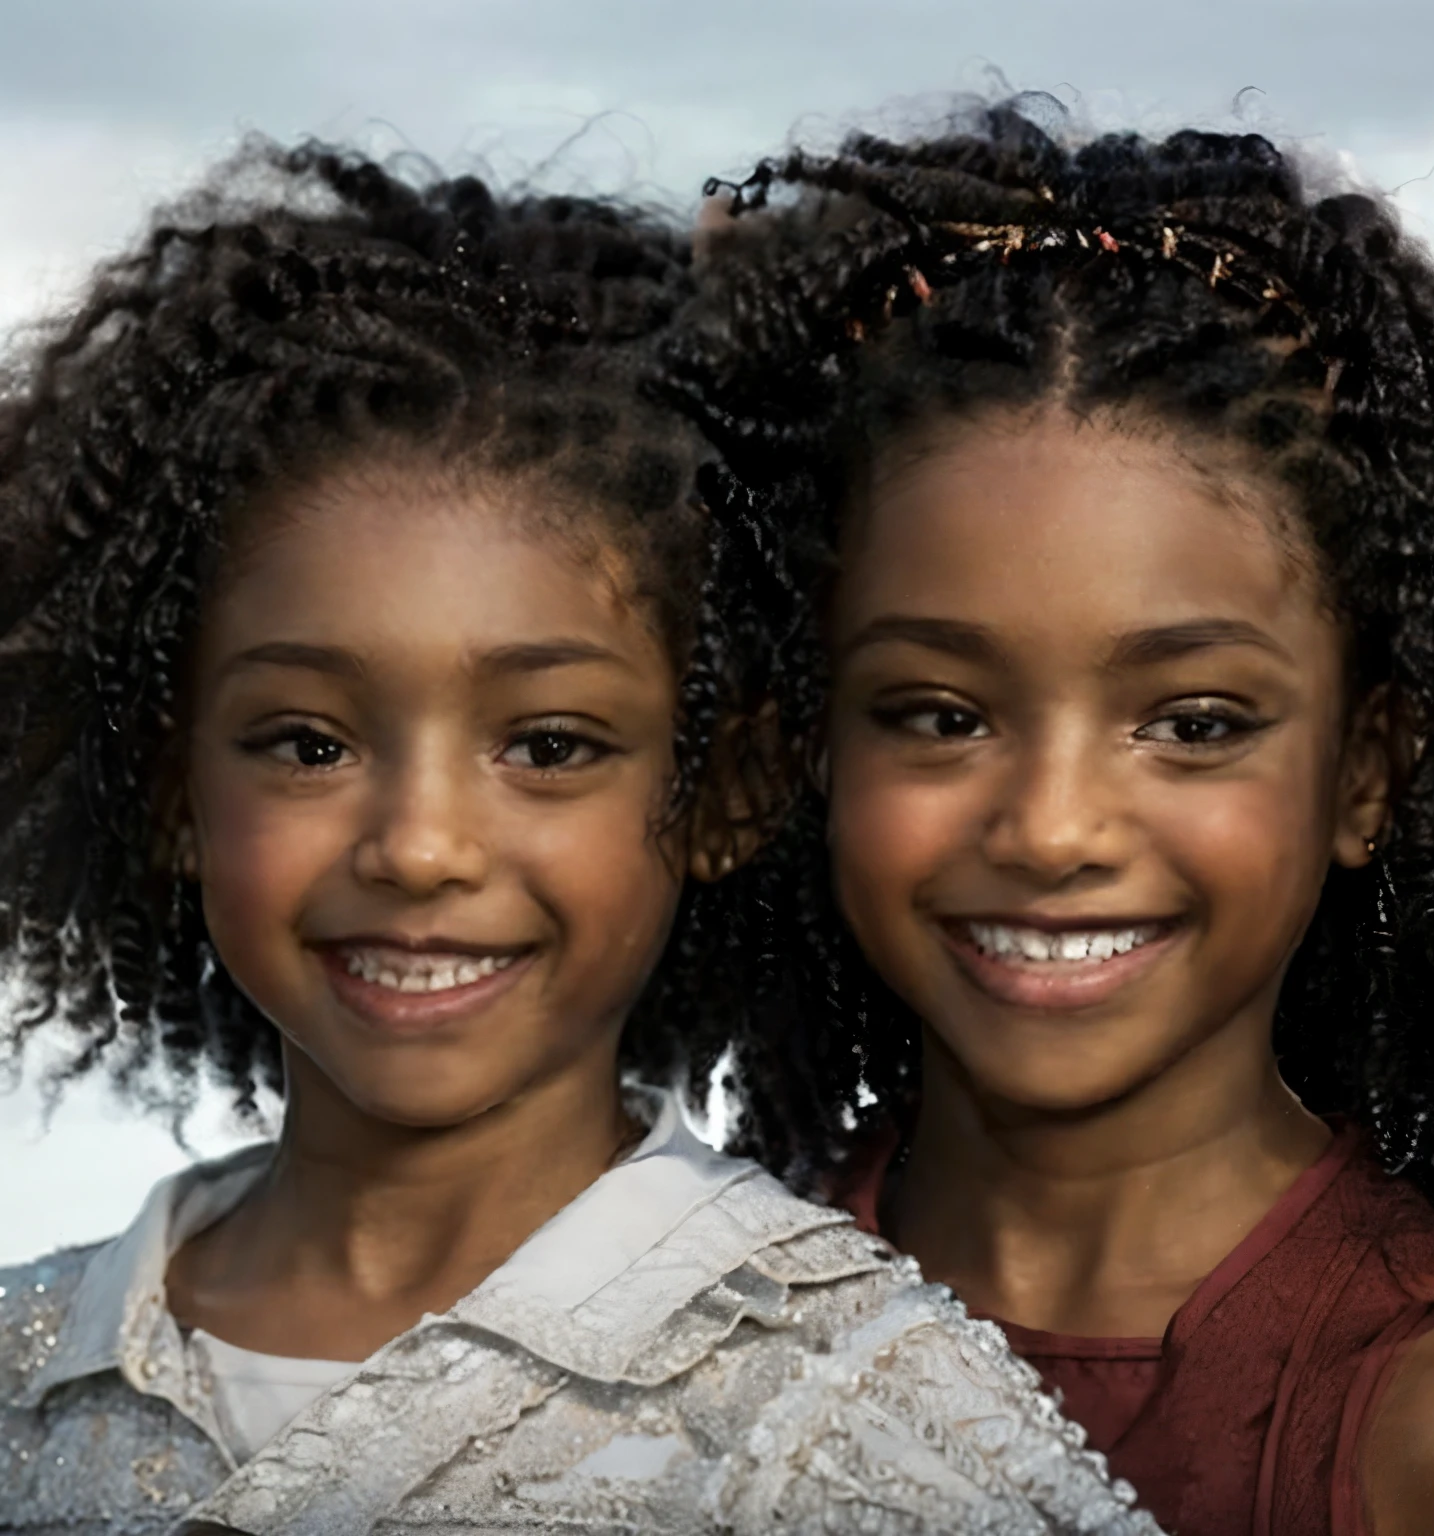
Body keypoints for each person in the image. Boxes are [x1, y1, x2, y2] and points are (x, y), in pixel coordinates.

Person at [0, 141, 1159, 1535]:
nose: (420, 848)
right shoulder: (29, 1362)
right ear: (173, 787)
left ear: (723, 791)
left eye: (548, 747)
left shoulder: (863, 1423)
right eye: (309, 745)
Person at [669, 100, 1434, 1536]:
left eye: (1193, 725)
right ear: (810, 741)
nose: (1055, 826)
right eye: (940, 715)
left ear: (1369, 769)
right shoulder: (641, 1362)